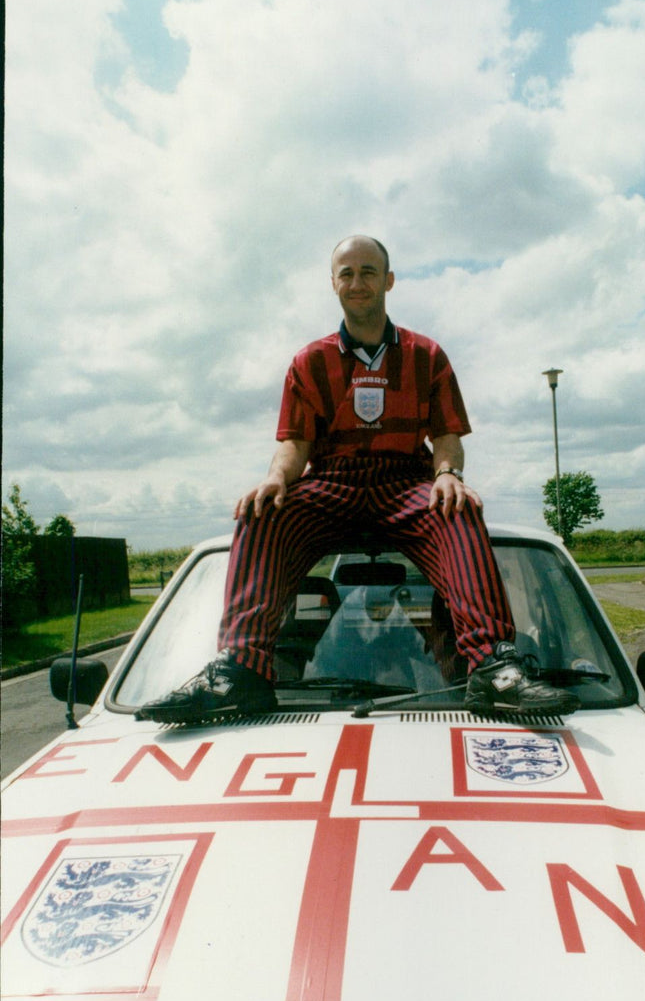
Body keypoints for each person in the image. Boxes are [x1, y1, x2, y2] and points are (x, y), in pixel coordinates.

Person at [136, 236, 578, 723]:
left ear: (388, 281)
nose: (357, 282)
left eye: (368, 272)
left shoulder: (426, 354)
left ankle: (493, 665)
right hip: (333, 481)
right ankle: (240, 671)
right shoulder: (310, 361)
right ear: (333, 284)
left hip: (404, 479)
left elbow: (447, 437)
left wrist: (448, 473)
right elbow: (295, 445)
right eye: (346, 273)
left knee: (461, 508)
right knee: (259, 515)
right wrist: (275, 479)